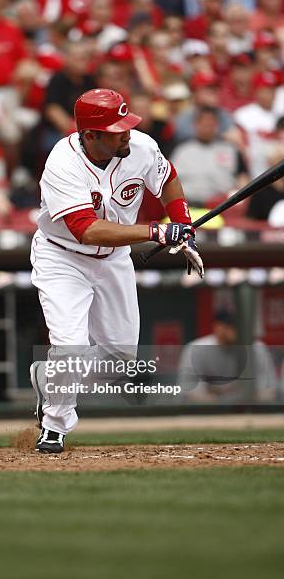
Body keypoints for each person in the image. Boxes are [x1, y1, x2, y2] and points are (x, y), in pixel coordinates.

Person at [30, 88, 204, 453]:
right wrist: (157, 231)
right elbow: (87, 229)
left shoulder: (139, 146)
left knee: (120, 358)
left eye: (126, 124)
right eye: (115, 128)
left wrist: (182, 227)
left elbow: (167, 178)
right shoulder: (62, 162)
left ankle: (50, 379)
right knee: (71, 346)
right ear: (90, 135)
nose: (126, 132)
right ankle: (55, 425)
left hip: (113, 260)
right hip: (63, 258)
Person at [178, 309, 277, 403]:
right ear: (217, 327)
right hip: (209, 414)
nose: (236, 331)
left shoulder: (257, 348)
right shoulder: (196, 349)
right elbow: (191, 394)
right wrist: (226, 403)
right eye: (231, 326)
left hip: (249, 412)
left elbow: (269, 391)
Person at [171, 106, 248, 205]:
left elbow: (243, 177)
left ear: (217, 126)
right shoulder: (181, 151)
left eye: (210, 124)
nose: (207, 127)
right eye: (203, 124)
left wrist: (241, 199)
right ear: (195, 125)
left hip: (222, 206)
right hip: (190, 205)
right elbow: (170, 183)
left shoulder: (230, 149)